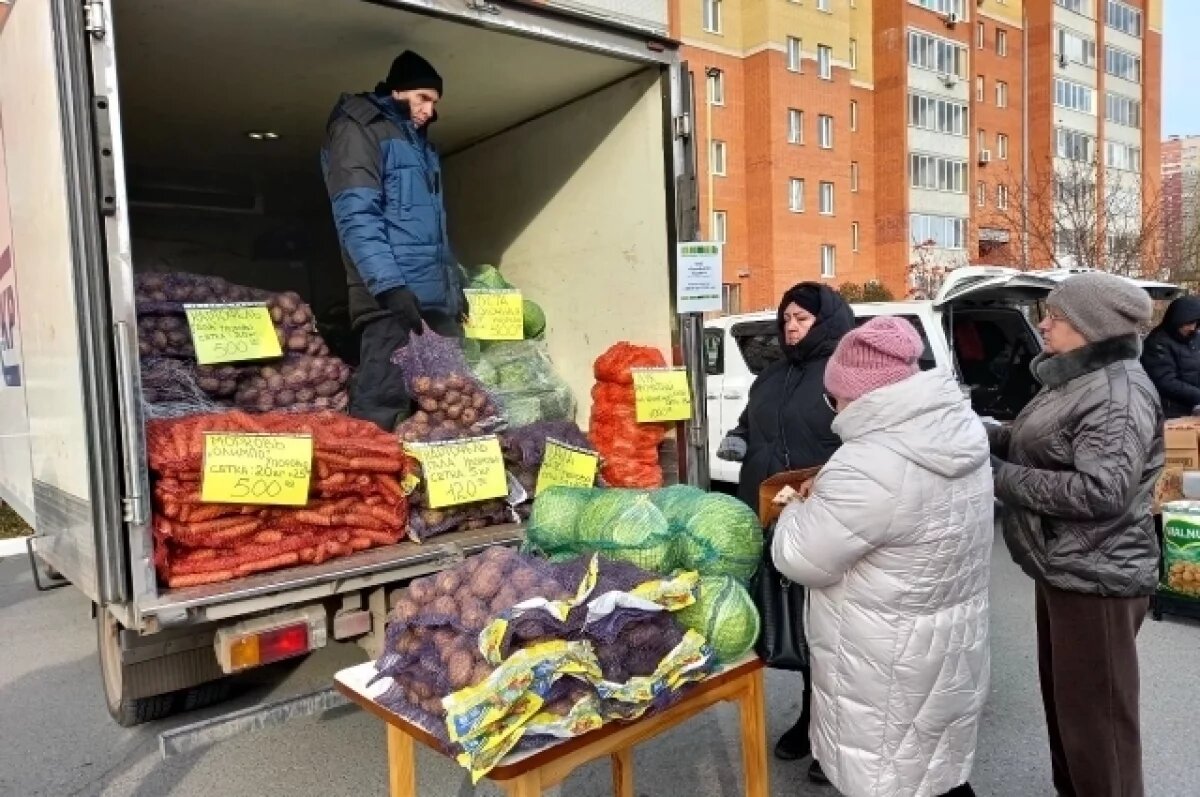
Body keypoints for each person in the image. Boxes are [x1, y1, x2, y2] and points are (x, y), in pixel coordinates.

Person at [771, 316, 992, 797]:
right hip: (952, 640)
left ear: (858, 394)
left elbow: (798, 557)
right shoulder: (962, 430)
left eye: (835, 397)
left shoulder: (869, 461)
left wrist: (796, 506)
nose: (833, 409)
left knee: (890, 775)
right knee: (937, 769)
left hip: (883, 658)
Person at [990, 272, 1162, 797]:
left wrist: (997, 476)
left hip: (1100, 578)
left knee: (1099, 729)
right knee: (1072, 714)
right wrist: (982, 433)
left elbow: (1100, 492)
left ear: (1091, 326)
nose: (1044, 323)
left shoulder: (1116, 393)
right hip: (1068, 567)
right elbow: (1041, 444)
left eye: (1056, 317)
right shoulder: (1075, 379)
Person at [715, 282, 854, 774]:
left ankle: (829, 735)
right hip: (771, 514)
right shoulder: (771, 375)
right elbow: (750, 423)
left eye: (803, 319)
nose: (792, 328)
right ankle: (810, 716)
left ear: (827, 320)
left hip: (825, 518)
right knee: (793, 624)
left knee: (828, 631)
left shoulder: (844, 374)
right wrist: (737, 437)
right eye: (787, 319)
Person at [321, 51, 467, 431]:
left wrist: (453, 286)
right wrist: (389, 287)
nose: (429, 110)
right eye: (423, 97)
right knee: (382, 402)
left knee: (451, 404)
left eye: (434, 102)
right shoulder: (359, 130)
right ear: (396, 91)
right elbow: (357, 216)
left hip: (432, 301)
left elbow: (432, 226)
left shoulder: (419, 146)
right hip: (392, 300)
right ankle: (370, 484)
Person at [1141, 295, 1200, 419]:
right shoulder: (1157, 342)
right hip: (1171, 411)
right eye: (1188, 323)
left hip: (1193, 406)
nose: (1192, 328)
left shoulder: (1194, 337)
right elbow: (1165, 380)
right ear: (1177, 320)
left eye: (1195, 323)